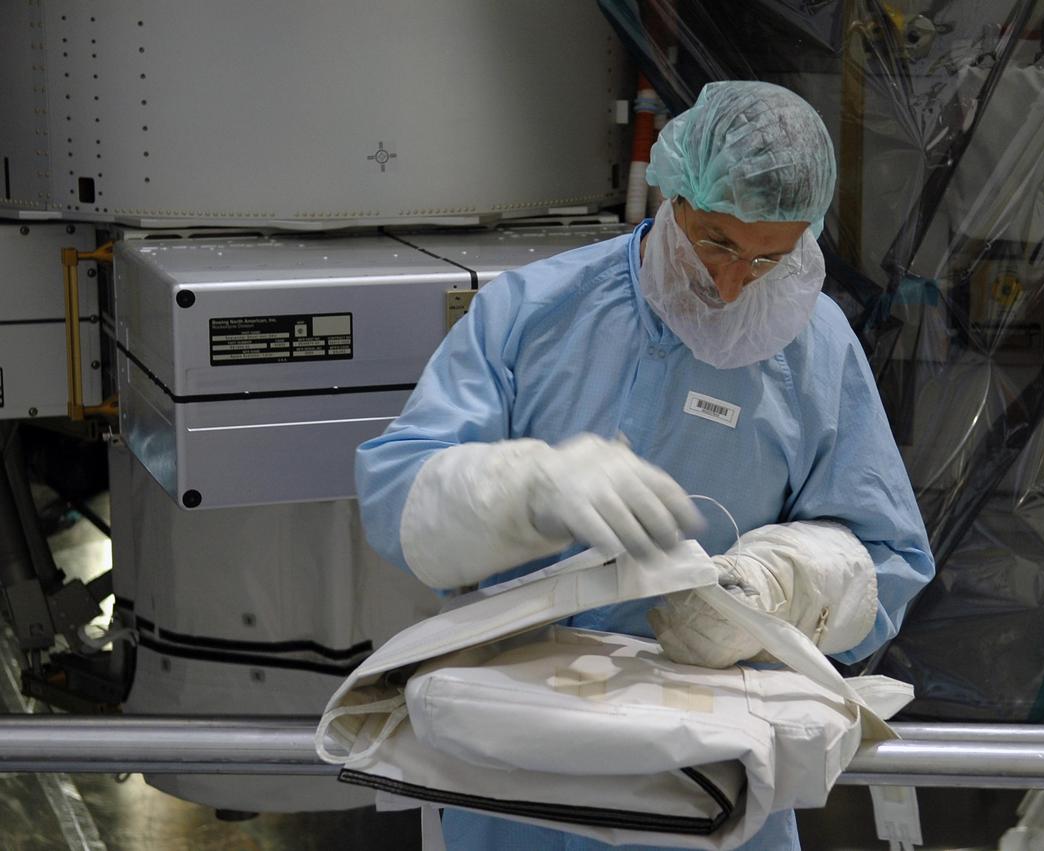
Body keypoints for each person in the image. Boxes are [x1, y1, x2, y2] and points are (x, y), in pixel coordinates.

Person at [355, 80, 935, 851]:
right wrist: (526, 491)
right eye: (718, 243)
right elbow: (398, 492)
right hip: (518, 762)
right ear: (674, 195)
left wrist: (779, 585)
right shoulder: (537, 311)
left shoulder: (816, 345)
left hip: (711, 777)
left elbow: (888, 558)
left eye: (771, 257)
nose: (733, 284)